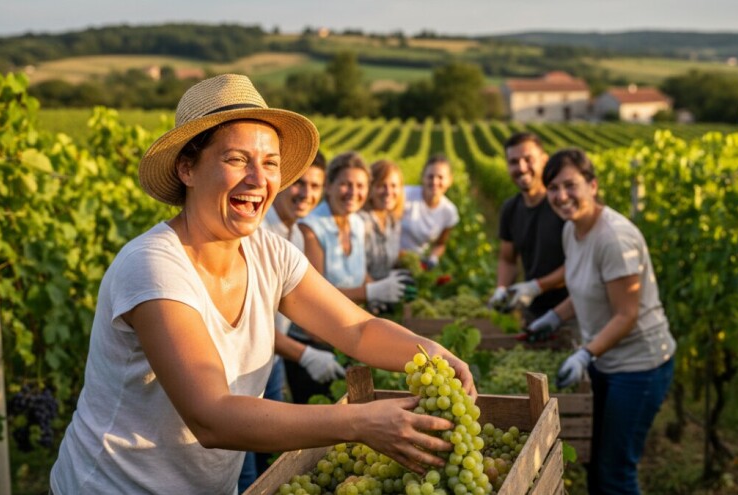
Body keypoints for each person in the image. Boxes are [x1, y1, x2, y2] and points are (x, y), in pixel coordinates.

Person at [50, 74, 476, 494]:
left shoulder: (268, 252)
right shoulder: (153, 267)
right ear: (187, 168)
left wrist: (430, 354)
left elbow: (358, 330)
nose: (259, 179)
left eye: (270, 162)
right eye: (236, 159)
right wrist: (358, 423)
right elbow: (211, 417)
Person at [537, 147, 676, 494]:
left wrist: (585, 354)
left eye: (570, 185)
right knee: (599, 466)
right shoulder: (572, 229)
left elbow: (627, 314)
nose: (561, 195)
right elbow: (584, 287)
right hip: (608, 360)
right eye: (553, 188)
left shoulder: (614, 237)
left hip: (640, 367)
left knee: (616, 473)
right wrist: (554, 317)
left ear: (593, 185)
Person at [238, 151, 344, 492]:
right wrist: (306, 354)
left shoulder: (296, 234)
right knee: (241, 461)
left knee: (271, 457)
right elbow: (251, 328)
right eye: (299, 183)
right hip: (239, 364)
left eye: (315, 186)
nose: (306, 193)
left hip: (271, 358)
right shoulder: (253, 231)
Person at [293, 151, 412, 403]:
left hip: (347, 337)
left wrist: (379, 288)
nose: (352, 192)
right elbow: (316, 297)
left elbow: (361, 272)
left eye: (360, 185)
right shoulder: (310, 228)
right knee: (320, 422)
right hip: (315, 344)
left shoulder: (357, 223)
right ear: (329, 186)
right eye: (345, 184)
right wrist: (370, 292)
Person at [487, 132, 569, 331]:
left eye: (528, 159)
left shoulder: (563, 205)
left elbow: (580, 263)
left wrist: (537, 286)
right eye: (514, 162)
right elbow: (507, 259)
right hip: (533, 311)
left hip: (571, 312)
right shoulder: (510, 209)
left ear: (544, 160)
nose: (521, 168)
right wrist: (501, 288)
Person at [400, 154, 459, 268]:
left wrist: (433, 258)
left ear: (449, 180)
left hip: (416, 263)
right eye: (430, 176)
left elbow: (440, 244)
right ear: (423, 177)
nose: (435, 182)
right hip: (391, 257)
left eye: (440, 177)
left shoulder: (449, 212)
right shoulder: (405, 195)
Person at [360, 159, 404, 281]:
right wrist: (379, 291)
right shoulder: (360, 221)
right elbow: (357, 271)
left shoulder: (393, 221)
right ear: (369, 188)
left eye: (394, 186)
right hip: (363, 294)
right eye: (381, 186)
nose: (388, 192)